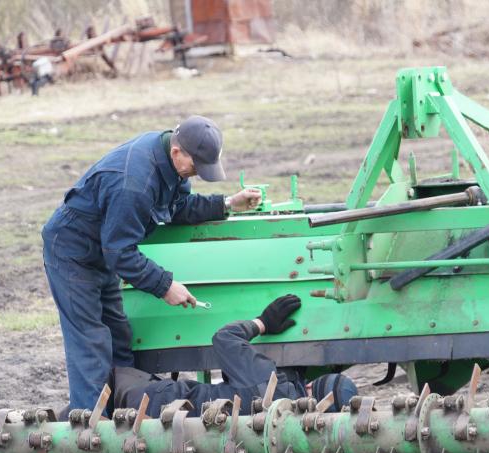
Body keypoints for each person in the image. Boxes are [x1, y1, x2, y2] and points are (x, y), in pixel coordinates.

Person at [42, 115, 263, 416]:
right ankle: (91, 431)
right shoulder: (133, 183)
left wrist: (226, 203)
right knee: (90, 339)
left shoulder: (168, 164)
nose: (197, 174)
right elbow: (119, 252)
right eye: (196, 166)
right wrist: (165, 286)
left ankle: (124, 413)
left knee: (118, 335)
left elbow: (178, 208)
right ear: (177, 152)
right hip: (73, 250)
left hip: (102, 247)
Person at [111, 295, 358, 417]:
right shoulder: (289, 427)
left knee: (97, 388)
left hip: (154, 401)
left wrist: (262, 323)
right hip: (168, 424)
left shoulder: (267, 382)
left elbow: (224, 338)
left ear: (311, 384)